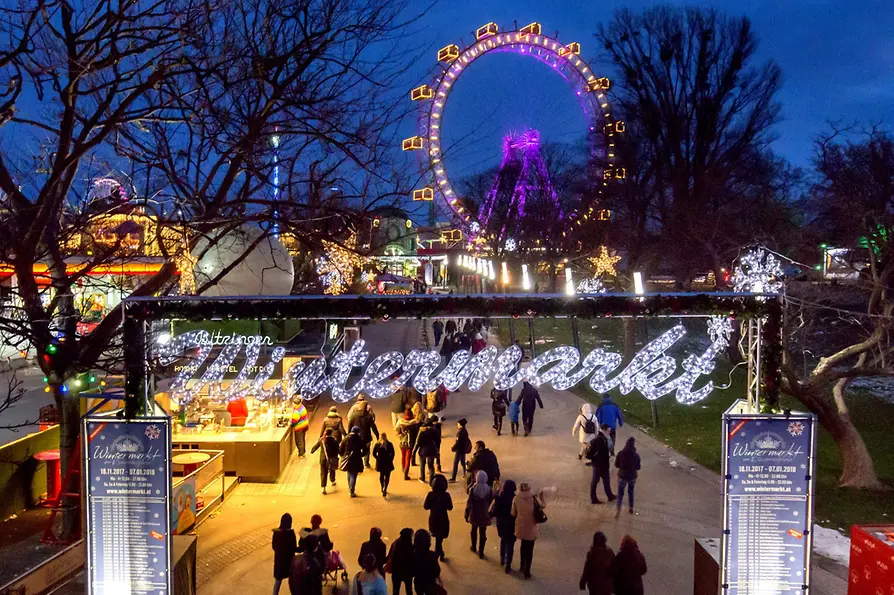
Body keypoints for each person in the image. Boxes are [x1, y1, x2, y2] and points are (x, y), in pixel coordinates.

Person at [512, 483, 546, 580]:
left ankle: (522, 566)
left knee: (523, 547)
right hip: (532, 526)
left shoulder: (516, 498)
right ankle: (527, 571)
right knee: (530, 549)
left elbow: (513, 513)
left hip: (521, 526)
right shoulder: (534, 498)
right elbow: (543, 505)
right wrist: (542, 496)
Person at [465, 470, 494, 559]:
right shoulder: (489, 489)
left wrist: (466, 514)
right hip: (484, 513)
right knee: (483, 532)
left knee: (473, 530)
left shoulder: (473, 489)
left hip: (474, 513)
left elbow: (469, 503)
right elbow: (491, 502)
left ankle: (474, 547)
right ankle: (481, 551)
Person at [490, 479, 517, 574]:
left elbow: (495, 511)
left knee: (503, 540)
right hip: (512, 523)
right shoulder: (515, 498)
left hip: (501, 523)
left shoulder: (500, 496)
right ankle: (508, 563)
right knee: (510, 544)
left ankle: (502, 558)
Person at [423, 474, 453, 561]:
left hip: (433, 519)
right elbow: (450, 507)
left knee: (437, 537)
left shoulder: (431, 495)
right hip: (443, 519)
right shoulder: (446, 495)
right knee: (439, 538)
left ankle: (439, 552)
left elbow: (426, 506)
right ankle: (438, 553)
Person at [586, 424, 615, 504]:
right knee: (595, 482)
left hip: (603, 465)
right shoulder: (598, 440)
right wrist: (595, 459)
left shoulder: (604, 438)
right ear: (605, 430)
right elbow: (589, 454)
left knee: (606, 481)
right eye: (609, 431)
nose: (609, 432)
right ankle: (594, 499)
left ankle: (610, 496)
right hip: (599, 465)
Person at [348, 396, 380, 469]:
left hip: (356, 436)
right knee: (367, 450)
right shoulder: (368, 416)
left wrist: (349, 434)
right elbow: (373, 427)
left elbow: (350, 424)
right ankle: (366, 463)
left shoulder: (354, 415)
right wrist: (377, 435)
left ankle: (358, 463)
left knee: (356, 449)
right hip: (366, 436)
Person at [614, 437, 641, 518]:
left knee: (620, 493)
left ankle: (618, 509)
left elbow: (616, 465)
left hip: (622, 476)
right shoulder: (636, 455)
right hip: (632, 477)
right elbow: (638, 467)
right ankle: (631, 508)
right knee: (631, 492)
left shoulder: (620, 453)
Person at [272, 513, 297, 595]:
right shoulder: (290, 534)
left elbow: (274, 546)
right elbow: (294, 548)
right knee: (293, 580)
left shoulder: (277, 532)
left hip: (279, 561)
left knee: (278, 581)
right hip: (289, 561)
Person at [385, 528, 415, 595]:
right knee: (409, 590)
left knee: (395, 589)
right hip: (407, 572)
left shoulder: (395, 543)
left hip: (396, 572)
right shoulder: (410, 546)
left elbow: (390, 556)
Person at [412, 529, 442, 595]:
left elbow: (412, 571)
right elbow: (437, 571)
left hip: (419, 582)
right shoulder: (432, 556)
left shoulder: (413, 556)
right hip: (430, 583)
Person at [339, 427, 367, 498]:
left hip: (347, 459)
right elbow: (365, 450)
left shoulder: (346, 438)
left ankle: (350, 487)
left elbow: (340, 448)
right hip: (356, 459)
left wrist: (343, 455)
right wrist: (361, 455)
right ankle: (351, 491)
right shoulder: (360, 439)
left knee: (349, 473)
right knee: (354, 475)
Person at [311, 428, 339, 495]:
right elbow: (337, 449)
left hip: (323, 459)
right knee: (332, 470)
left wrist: (312, 450)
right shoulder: (334, 440)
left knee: (323, 473)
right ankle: (332, 481)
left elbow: (315, 446)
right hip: (332, 459)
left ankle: (323, 487)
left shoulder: (322, 440)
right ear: (331, 433)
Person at [412, 418, 438, 484]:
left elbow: (417, 442)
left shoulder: (421, 431)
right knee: (431, 466)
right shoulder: (434, 430)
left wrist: (414, 451)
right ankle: (431, 481)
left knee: (422, 465)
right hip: (431, 449)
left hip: (423, 450)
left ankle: (422, 478)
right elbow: (437, 440)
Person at [373, 433, 395, 498]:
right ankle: (385, 488)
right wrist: (391, 459)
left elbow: (374, 453)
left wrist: (377, 458)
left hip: (380, 462)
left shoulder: (377, 444)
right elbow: (393, 453)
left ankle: (382, 487)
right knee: (387, 476)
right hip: (388, 462)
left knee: (381, 475)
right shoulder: (389, 444)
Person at [449, 418, 472, 482]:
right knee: (463, 462)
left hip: (459, 450)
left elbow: (458, 442)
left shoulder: (460, 432)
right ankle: (465, 474)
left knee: (455, 463)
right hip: (463, 449)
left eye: (458, 424)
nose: (457, 425)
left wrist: (453, 448)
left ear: (461, 425)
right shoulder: (465, 431)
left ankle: (453, 478)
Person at [396, 409, 414, 481]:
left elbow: (397, 431)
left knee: (403, 456)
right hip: (409, 443)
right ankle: (406, 474)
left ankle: (403, 469)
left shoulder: (400, 422)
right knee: (407, 459)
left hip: (402, 443)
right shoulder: (413, 423)